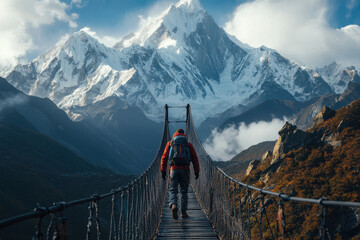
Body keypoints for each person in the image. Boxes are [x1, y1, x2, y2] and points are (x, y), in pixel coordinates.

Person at [160, 128, 200, 219]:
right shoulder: (188, 144)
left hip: (173, 169)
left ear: (175, 135)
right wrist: (197, 171)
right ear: (183, 135)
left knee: (173, 190)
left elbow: (164, 157)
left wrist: (163, 171)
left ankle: (173, 205)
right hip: (185, 169)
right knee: (184, 191)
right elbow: (195, 158)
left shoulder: (170, 143)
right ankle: (183, 212)